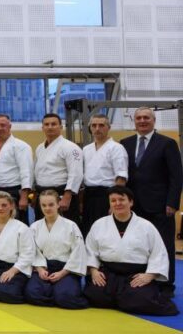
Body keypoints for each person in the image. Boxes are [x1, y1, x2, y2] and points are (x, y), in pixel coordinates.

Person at [83, 186, 178, 315]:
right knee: (94, 295)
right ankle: (121, 298)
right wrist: (94, 271)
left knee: (139, 299)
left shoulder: (146, 226)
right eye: (113, 200)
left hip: (135, 275)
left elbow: (158, 253)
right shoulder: (99, 224)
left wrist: (149, 275)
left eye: (121, 199)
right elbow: (90, 250)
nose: (117, 203)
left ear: (131, 202)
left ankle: (124, 298)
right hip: (108, 274)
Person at [120, 107, 183, 284]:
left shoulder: (167, 143)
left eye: (146, 118)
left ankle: (166, 284)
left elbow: (176, 176)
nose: (142, 121)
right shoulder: (125, 143)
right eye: (139, 118)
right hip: (133, 206)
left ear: (154, 120)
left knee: (164, 245)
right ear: (134, 121)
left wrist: (172, 203)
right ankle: (141, 283)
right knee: (138, 246)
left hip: (160, 206)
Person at [26, 189, 88, 309]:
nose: (47, 208)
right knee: (32, 293)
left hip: (67, 269)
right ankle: (55, 295)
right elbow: (31, 250)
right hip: (44, 267)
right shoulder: (34, 227)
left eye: (51, 204)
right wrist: (39, 269)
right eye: (44, 205)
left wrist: (62, 273)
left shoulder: (71, 226)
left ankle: (59, 294)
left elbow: (78, 252)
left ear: (58, 204)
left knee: (65, 296)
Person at [81, 113, 128, 237]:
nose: (97, 129)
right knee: (89, 232)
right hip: (89, 195)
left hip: (107, 195)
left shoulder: (116, 148)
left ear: (108, 127)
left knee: (106, 233)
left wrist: (116, 201)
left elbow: (121, 177)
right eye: (94, 125)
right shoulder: (86, 149)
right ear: (90, 128)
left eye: (101, 125)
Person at [33, 113, 83, 224]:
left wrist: (67, 197)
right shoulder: (40, 148)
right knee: (42, 227)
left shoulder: (71, 147)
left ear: (61, 127)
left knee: (65, 227)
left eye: (53, 124)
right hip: (42, 194)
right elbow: (37, 171)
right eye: (46, 124)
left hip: (61, 195)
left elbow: (76, 173)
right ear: (42, 128)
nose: (50, 127)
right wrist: (34, 194)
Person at [0, 114, 33, 212]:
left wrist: (24, 197)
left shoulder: (21, 146)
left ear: (10, 126)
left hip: (14, 191)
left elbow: (26, 172)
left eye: (3, 125)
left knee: (16, 219)